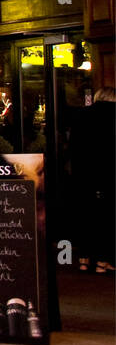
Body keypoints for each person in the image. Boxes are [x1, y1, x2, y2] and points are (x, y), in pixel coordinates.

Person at [74, 87, 115, 273]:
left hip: (83, 175)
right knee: (107, 218)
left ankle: (84, 260)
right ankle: (102, 262)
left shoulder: (82, 115)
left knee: (85, 216)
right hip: (108, 173)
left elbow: (73, 145)